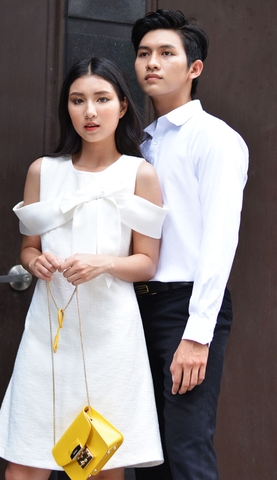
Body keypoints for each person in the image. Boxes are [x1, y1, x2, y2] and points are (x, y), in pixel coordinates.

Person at [0, 57, 167, 480]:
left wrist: (103, 262)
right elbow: (28, 248)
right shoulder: (43, 172)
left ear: (122, 106)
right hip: (48, 332)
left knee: (101, 463)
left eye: (102, 99)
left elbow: (147, 263)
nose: (89, 111)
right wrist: (37, 261)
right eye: (77, 100)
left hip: (111, 335)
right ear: (67, 108)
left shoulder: (139, 174)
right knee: (24, 462)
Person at [131, 9, 249, 480]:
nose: (152, 63)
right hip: (136, 306)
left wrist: (197, 335)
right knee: (147, 452)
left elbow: (220, 240)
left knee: (186, 449)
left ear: (194, 68)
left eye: (165, 53)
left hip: (187, 308)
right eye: (143, 54)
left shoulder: (216, 140)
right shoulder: (141, 143)